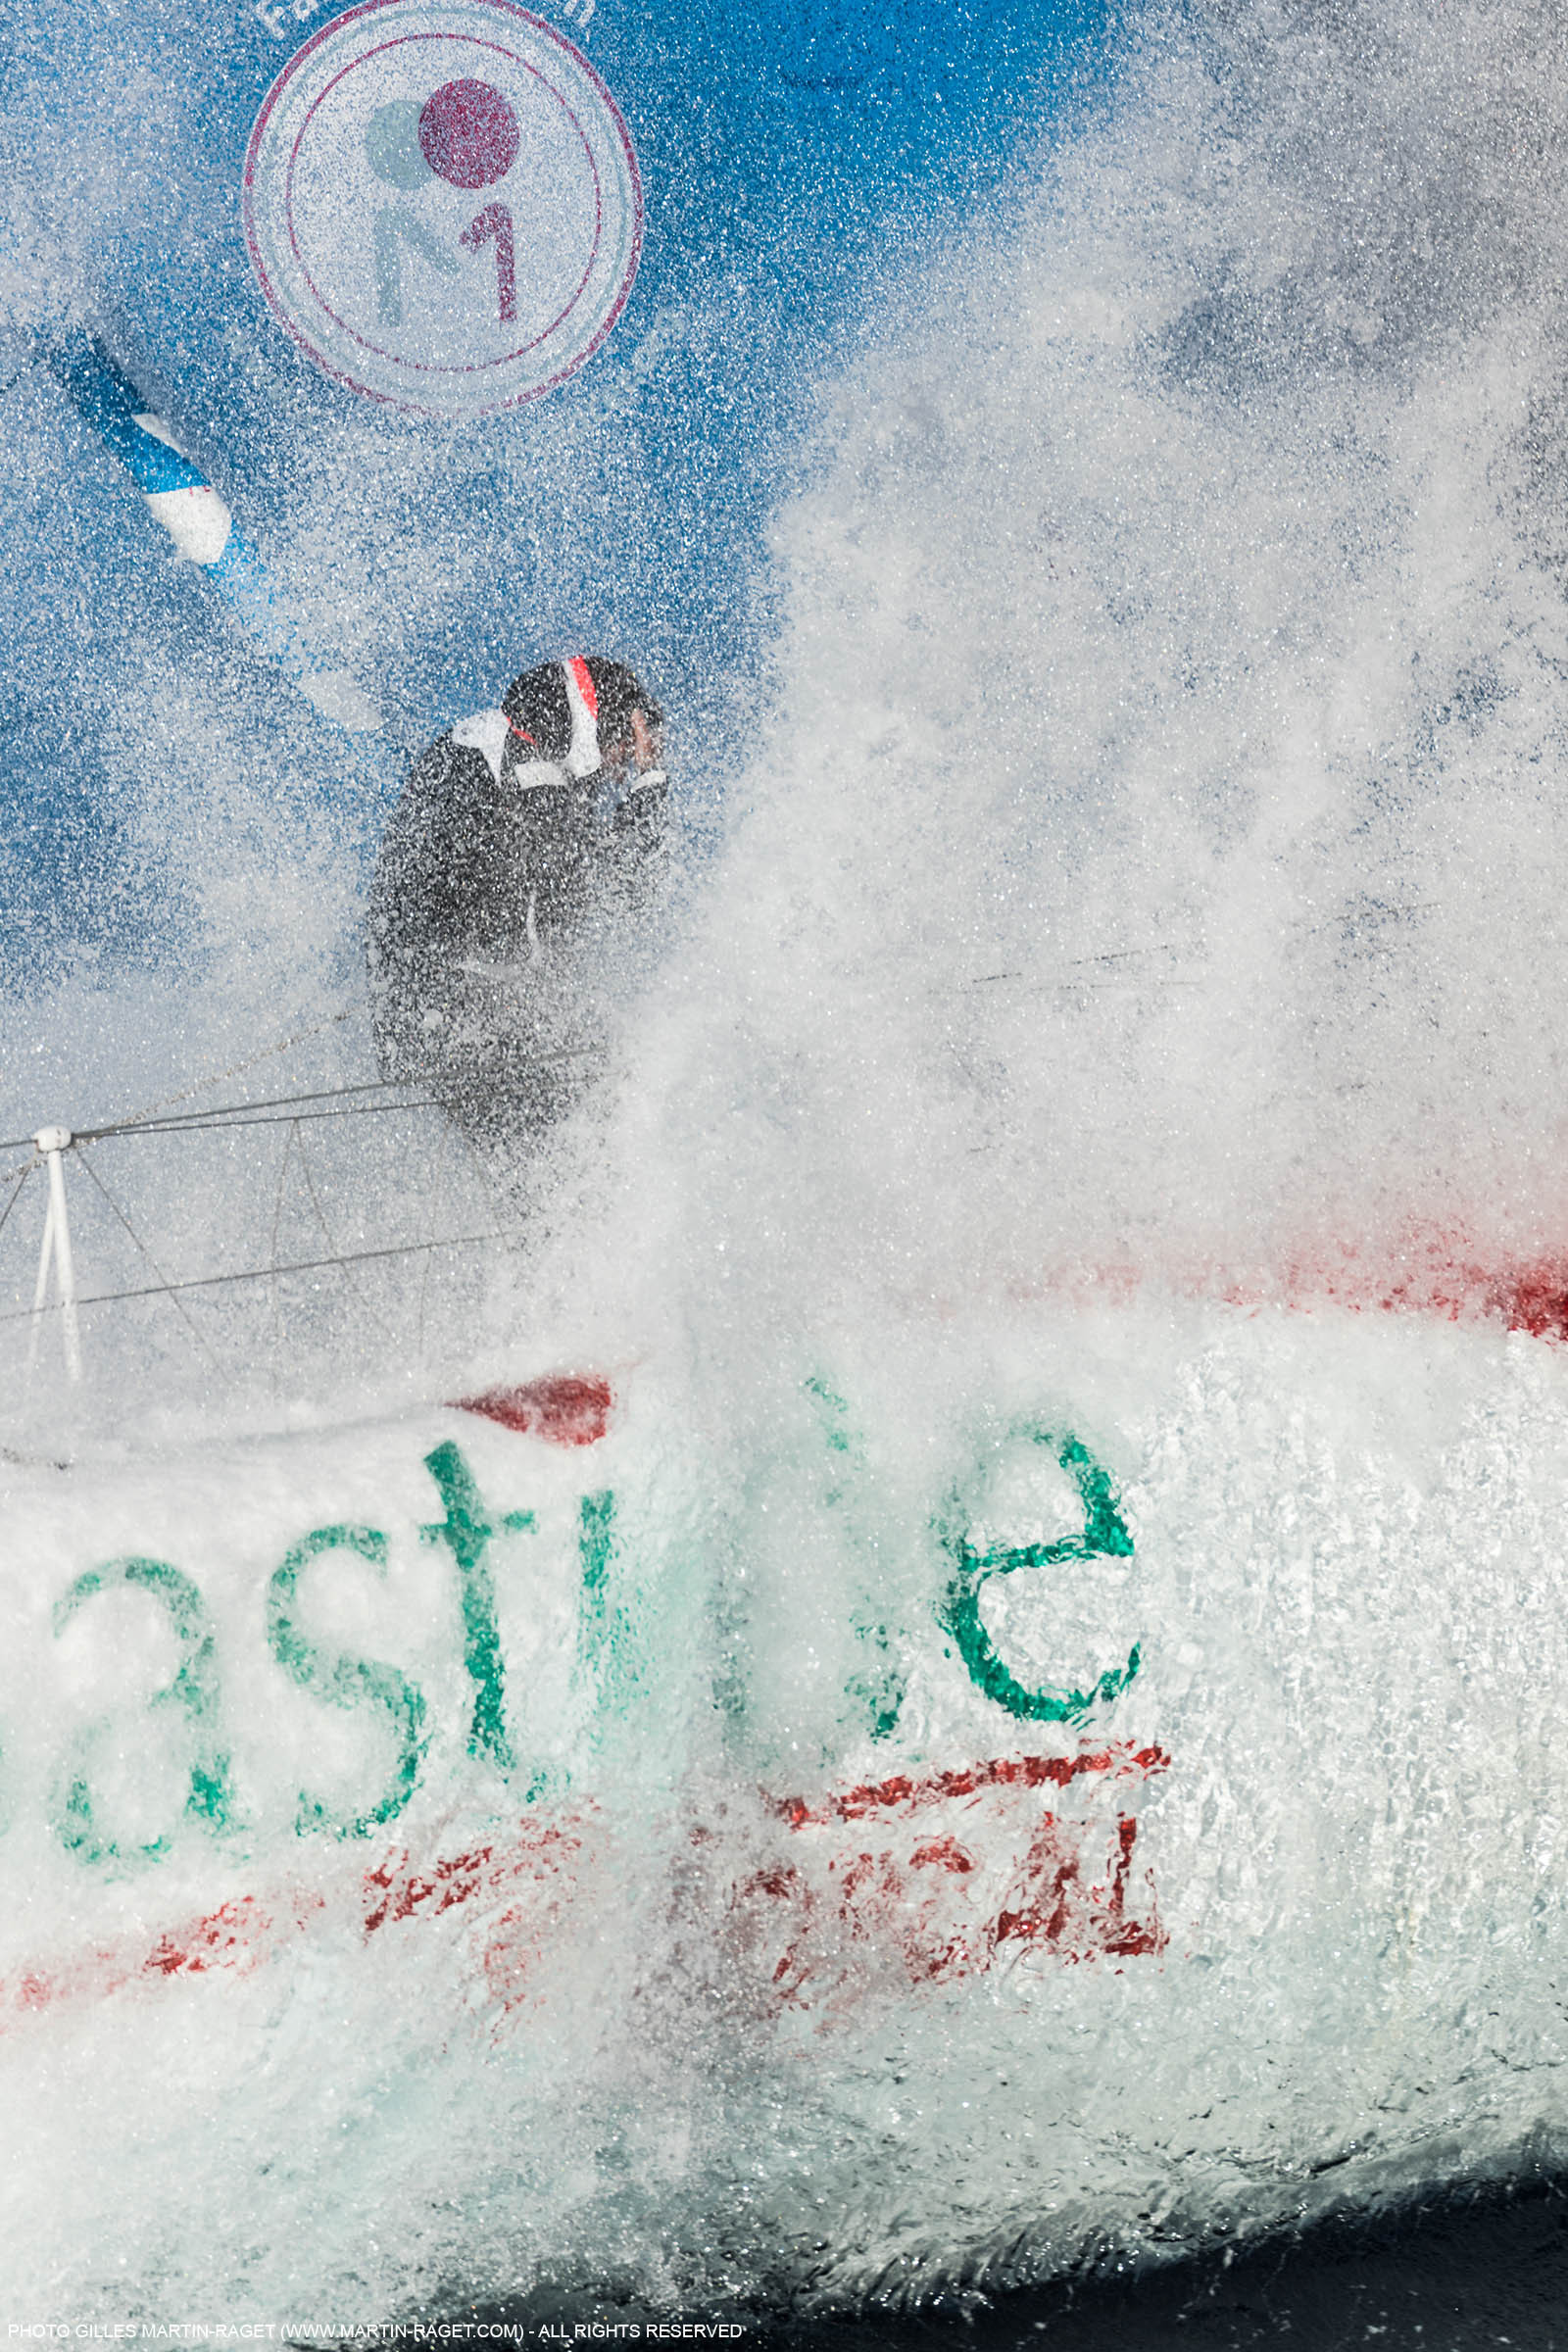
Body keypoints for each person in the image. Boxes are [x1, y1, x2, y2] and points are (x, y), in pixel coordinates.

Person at [367, 654, 667, 1149]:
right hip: (443, 1013)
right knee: (583, 1129)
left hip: (427, 1006)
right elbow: (620, 889)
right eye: (622, 751)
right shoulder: (527, 769)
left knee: (591, 1102)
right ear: (601, 727)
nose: (619, 772)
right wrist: (650, 778)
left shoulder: (507, 744)